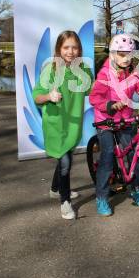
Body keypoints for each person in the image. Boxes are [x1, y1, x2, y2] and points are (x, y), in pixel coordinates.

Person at [33, 30, 93, 220]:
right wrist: (48, 96)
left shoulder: (84, 70)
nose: (70, 51)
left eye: (74, 47)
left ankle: (54, 189)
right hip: (55, 124)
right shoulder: (50, 70)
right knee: (65, 163)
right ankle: (65, 202)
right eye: (66, 47)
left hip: (73, 124)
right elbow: (37, 96)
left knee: (65, 158)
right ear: (59, 49)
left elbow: (95, 89)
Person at [89, 34, 139, 216]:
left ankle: (138, 188)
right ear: (113, 54)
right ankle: (101, 197)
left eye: (129, 55)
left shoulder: (132, 70)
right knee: (108, 156)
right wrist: (109, 105)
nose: (126, 59)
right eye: (121, 55)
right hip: (106, 121)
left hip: (125, 119)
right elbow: (95, 98)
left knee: (134, 154)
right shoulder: (104, 73)